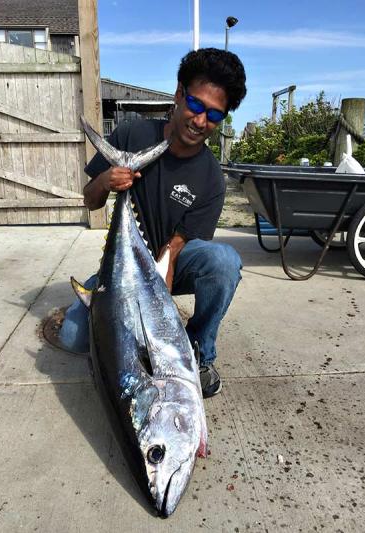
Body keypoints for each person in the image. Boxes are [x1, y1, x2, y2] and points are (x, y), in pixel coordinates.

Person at [59, 47, 247, 398]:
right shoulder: (131, 136)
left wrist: (160, 314)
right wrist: (105, 180)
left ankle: (197, 351)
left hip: (170, 266)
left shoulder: (211, 178)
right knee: (71, 337)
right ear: (178, 94)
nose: (200, 120)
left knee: (224, 262)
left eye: (214, 114)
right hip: (121, 267)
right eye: (194, 104)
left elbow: (176, 247)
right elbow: (91, 199)